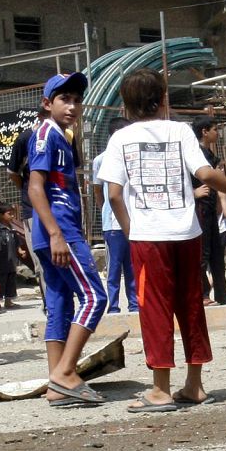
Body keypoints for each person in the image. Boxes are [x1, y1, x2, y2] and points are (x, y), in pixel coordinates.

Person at [100, 68, 226, 411]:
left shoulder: (120, 139)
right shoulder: (180, 131)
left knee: (154, 307)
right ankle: (195, 384)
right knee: (190, 304)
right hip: (188, 233)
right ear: (163, 99)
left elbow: (113, 194)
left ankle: (159, 390)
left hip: (148, 236)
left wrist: (130, 231)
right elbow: (205, 173)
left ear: (126, 106)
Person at [27, 71, 108, 407]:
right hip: (57, 230)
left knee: (60, 302)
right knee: (94, 297)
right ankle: (65, 373)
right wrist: (57, 234)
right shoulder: (47, 134)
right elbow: (35, 187)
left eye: (76, 99)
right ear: (48, 103)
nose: (72, 106)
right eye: (64, 99)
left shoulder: (61, 135)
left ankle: (56, 384)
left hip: (54, 230)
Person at [94, 117, 138, 314]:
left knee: (132, 266)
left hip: (133, 221)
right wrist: (106, 210)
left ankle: (134, 303)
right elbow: (98, 189)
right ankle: (113, 306)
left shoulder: (134, 156)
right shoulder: (101, 160)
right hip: (113, 224)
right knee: (113, 268)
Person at [192, 116, 226, 305]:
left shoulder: (209, 154)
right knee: (203, 253)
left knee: (217, 253)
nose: (217, 133)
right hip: (199, 208)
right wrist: (194, 193)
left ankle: (222, 294)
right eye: (215, 129)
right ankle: (202, 294)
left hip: (211, 209)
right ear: (204, 131)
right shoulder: (194, 154)